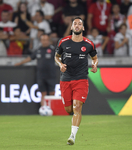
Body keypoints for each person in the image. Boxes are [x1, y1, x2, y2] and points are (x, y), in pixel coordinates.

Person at [54, 16, 98, 145]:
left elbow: (94, 57)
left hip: (81, 79)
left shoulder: (88, 44)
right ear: (72, 27)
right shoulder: (63, 42)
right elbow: (56, 57)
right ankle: (73, 123)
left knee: (77, 107)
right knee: (69, 109)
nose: (77, 25)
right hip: (66, 79)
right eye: (75, 24)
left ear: (83, 28)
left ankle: (72, 136)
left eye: (80, 24)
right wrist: (60, 64)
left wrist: (95, 65)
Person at [14, 34, 56, 106]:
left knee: (52, 92)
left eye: (46, 40)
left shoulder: (53, 50)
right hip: (41, 75)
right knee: (43, 93)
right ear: (41, 41)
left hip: (51, 75)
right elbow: (30, 58)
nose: (45, 42)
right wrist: (20, 63)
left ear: (49, 41)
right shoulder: (38, 50)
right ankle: (43, 108)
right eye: (43, 40)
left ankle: (52, 108)